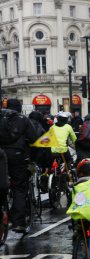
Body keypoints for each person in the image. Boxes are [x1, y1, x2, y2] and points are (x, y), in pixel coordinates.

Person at [0, 99, 37, 233]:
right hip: (17, 156)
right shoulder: (23, 119)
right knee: (19, 188)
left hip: (0, 154)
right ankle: (18, 223)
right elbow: (34, 139)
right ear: (20, 108)